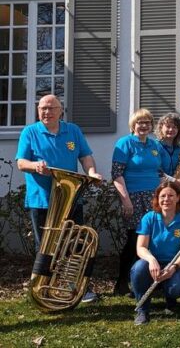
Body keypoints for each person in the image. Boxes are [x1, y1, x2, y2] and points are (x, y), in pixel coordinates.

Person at [16, 94, 102, 303]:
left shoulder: (72, 130)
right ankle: (44, 290)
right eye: (42, 108)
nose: (46, 112)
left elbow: (86, 157)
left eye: (50, 108)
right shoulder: (30, 132)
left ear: (60, 110)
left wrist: (91, 173)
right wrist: (35, 166)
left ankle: (76, 289)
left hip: (71, 198)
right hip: (42, 200)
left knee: (76, 245)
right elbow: (21, 162)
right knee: (45, 247)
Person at [112, 108, 163, 296]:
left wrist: (176, 182)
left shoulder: (154, 145)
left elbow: (158, 173)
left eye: (147, 123)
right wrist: (125, 200)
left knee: (151, 241)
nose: (144, 126)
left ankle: (146, 283)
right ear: (133, 125)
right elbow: (116, 174)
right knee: (135, 240)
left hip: (153, 198)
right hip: (133, 197)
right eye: (140, 122)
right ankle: (122, 282)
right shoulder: (124, 143)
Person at [131, 182, 180, 325]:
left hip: (175, 264)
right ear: (157, 198)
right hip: (153, 263)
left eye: (171, 195)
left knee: (175, 289)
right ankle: (143, 309)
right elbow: (141, 247)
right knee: (138, 269)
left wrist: (174, 267)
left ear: (178, 198)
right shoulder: (149, 218)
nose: (167, 199)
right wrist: (152, 260)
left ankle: (170, 299)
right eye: (163, 196)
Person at [155, 113, 180, 178]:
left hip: (175, 184)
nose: (171, 129)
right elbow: (156, 170)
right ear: (161, 128)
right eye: (168, 126)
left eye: (174, 127)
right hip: (158, 184)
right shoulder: (154, 146)